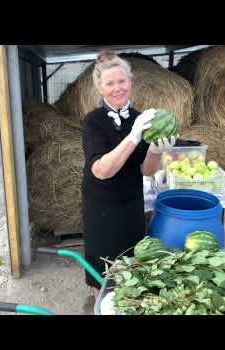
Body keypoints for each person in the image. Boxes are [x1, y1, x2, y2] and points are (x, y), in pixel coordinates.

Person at [82, 51, 177, 299]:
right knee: (101, 271)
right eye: (110, 83)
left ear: (131, 83)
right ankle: (100, 302)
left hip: (131, 203)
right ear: (100, 88)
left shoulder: (141, 118)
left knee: (131, 264)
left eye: (122, 81)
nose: (117, 88)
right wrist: (133, 137)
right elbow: (102, 170)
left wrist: (157, 150)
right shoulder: (93, 122)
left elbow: (147, 170)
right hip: (101, 205)